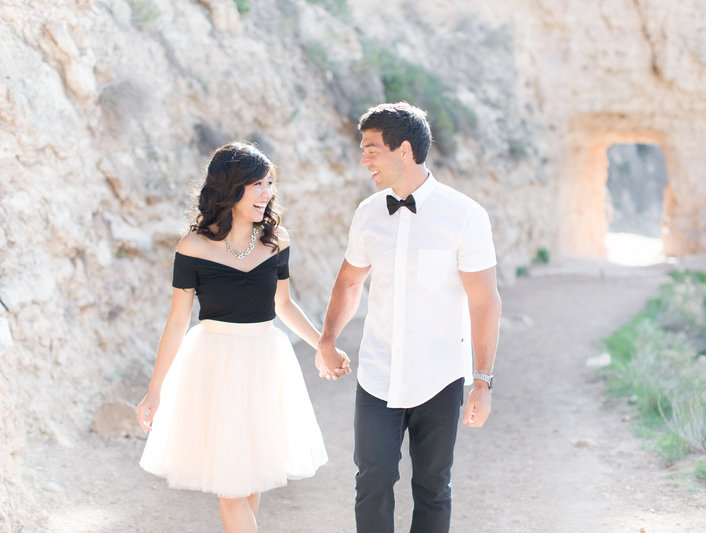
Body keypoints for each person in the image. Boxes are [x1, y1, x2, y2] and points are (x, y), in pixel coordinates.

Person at [136, 142, 346, 533]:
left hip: (265, 361)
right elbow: (177, 321)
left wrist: (323, 345)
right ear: (231, 189)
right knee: (232, 491)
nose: (267, 193)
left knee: (251, 479)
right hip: (215, 364)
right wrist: (155, 389)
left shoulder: (277, 240)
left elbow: (283, 304)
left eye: (270, 184)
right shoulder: (193, 247)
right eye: (257, 184)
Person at [315, 102, 502, 532]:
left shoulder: (465, 216)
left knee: (433, 486)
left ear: (403, 150)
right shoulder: (367, 213)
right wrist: (327, 340)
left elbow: (485, 302)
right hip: (378, 374)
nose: (364, 160)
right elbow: (348, 283)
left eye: (371, 149)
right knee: (373, 481)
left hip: (439, 376)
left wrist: (483, 381)